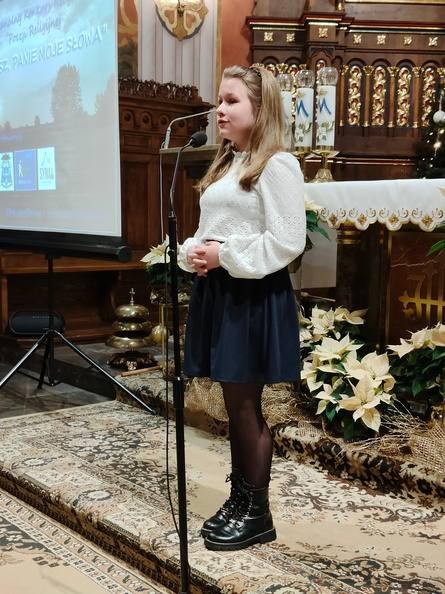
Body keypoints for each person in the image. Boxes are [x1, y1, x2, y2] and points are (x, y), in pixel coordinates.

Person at [178, 65, 306, 551]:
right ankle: (241, 499)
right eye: (219, 100)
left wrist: (224, 255)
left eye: (231, 101)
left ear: (260, 106)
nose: (220, 110)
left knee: (246, 405)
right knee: (234, 405)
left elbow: (287, 241)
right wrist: (195, 251)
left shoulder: (276, 164)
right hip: (222, 292)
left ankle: (257, 512)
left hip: (251, 295)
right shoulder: (229, 163)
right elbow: (212, 228)